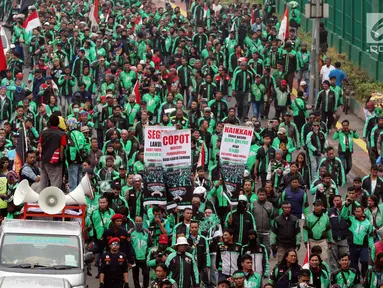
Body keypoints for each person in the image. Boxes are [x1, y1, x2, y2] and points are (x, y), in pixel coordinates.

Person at [341, 201, 374, 282]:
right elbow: (343, 215)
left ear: (363, 212)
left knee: (364, 261)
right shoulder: (351, 220)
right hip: (353, 246)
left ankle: (364, 275)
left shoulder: (368, 223)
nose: (357, 213)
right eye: (356, 211)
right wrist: (346, 205)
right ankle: (357, 276)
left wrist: (371, 246)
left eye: (359, 211)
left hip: (364, 247)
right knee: (353, 263)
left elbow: (370, 236)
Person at [38, 114, 67, 191]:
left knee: (43, 182)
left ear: (49, 123)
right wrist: (61, 161)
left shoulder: (43, 133)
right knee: (56, 183)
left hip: (44, 160)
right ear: (58, 123)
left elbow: (39, 145)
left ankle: (42, 198)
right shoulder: (62, 134)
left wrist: (41, 158)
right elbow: (61, 149)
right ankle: (54, 200)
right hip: (55, 162)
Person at [129, 215, 153, 288]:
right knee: (135, 275)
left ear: (142, 222)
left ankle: (145, 286)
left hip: (144, 258)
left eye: (140, 221)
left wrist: (148, 255)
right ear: (134, 222)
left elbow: (150, 244)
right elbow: (129, 245)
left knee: (146, 274)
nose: (138, 223)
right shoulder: (131, 232)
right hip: (134, 257)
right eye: (137, 221)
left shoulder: (147, 232)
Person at [328, 195, 349, 272]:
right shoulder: (329, 211)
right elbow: (327, 225)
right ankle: (335, 274)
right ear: (333, 201)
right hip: (333, 239)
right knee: (333, 258)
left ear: (341, 201)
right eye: (335, 200)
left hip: (344, 238)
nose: (337, 202)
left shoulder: (346, 210)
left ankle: (344, 273)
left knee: (344, 257)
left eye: (338, 200)